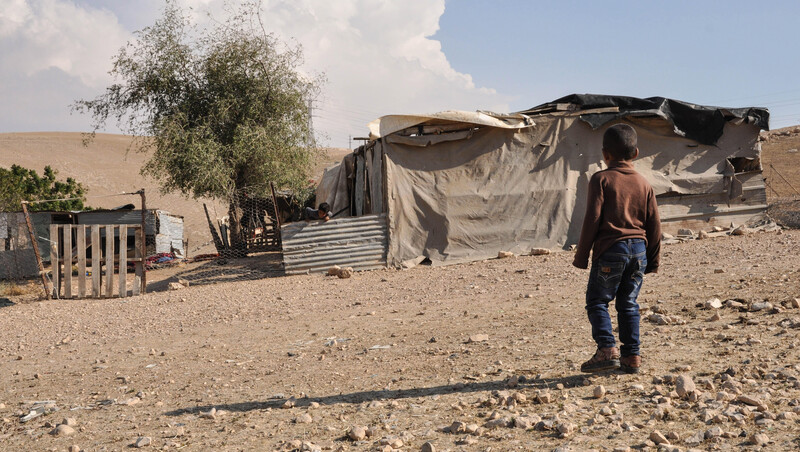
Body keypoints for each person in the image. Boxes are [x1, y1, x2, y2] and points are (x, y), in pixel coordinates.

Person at [572, 123, 661, 374]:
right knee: (629, 303)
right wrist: (652, 260)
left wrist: (582, 257)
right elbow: (654, 224)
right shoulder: (644, 183)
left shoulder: (601, 179)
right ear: (635, 153)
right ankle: (632, 356)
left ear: (605, 154)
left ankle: (607, 349)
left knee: (597, 301)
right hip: (639, 252)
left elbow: (592, 219)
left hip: (611, 249)